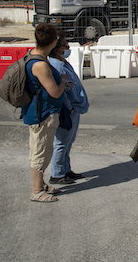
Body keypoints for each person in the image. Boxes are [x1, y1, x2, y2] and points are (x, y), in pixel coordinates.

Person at [23, 24, 68, 202]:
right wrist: (63, 82)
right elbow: (55, 91)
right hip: (42, 114)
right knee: (40, 152)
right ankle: (36, 190)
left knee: (41, 149)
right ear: (53, 41)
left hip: (40, 112)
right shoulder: (40, 64)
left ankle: (41, 185)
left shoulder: (35, 56)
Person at [48, 33, 89, 185]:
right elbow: (60, 90)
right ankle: (57, 174)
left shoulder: (63, 62)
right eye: (65, 46)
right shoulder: (56, 65)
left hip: (74, 109)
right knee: (61, 142)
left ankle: (65, 169)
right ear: (56, 48)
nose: (68, 48)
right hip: (67, 110)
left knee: (68, 142)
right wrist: (69, 108)